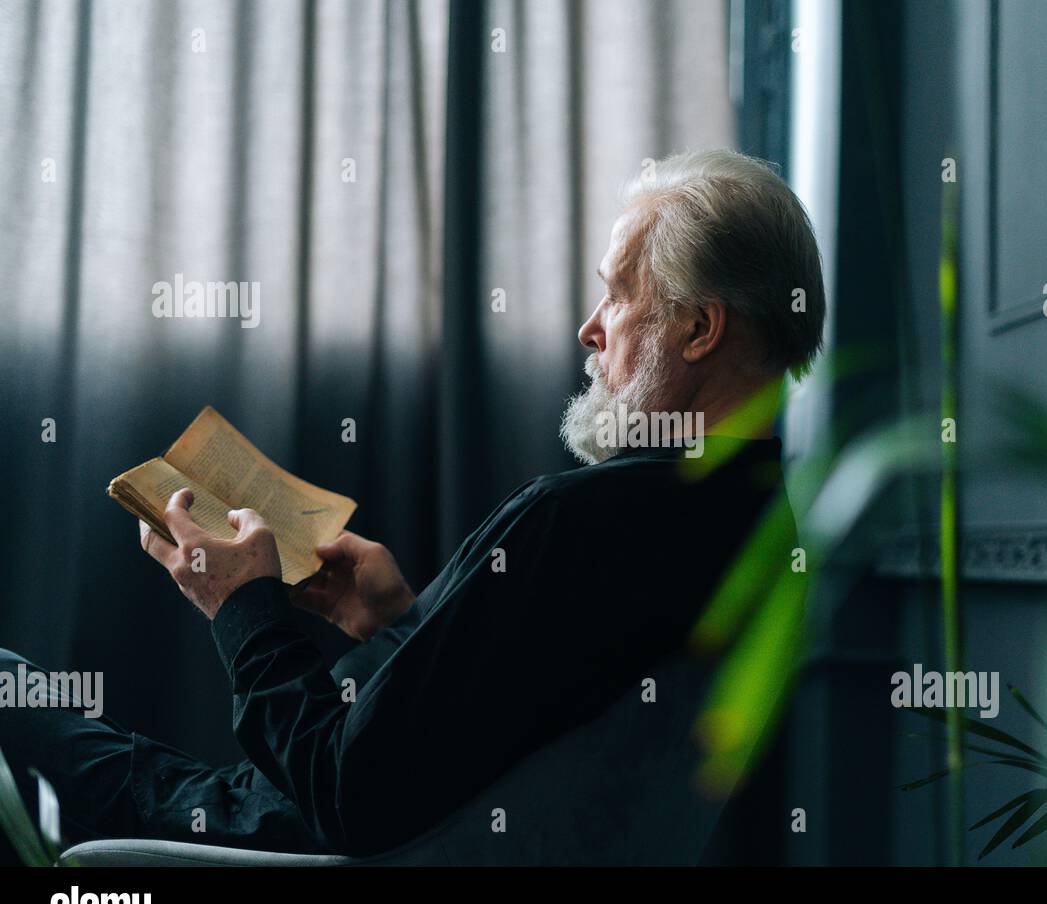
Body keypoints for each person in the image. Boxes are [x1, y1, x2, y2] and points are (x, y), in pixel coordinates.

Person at [0, 149, 825, 862]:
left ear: (698, 329)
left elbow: (350, 794)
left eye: (616, 295)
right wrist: (399, 619)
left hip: (236, 833)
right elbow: (496, 724)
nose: (588, 328)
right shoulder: (753, 523)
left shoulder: (585, 521)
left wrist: (240, 608)